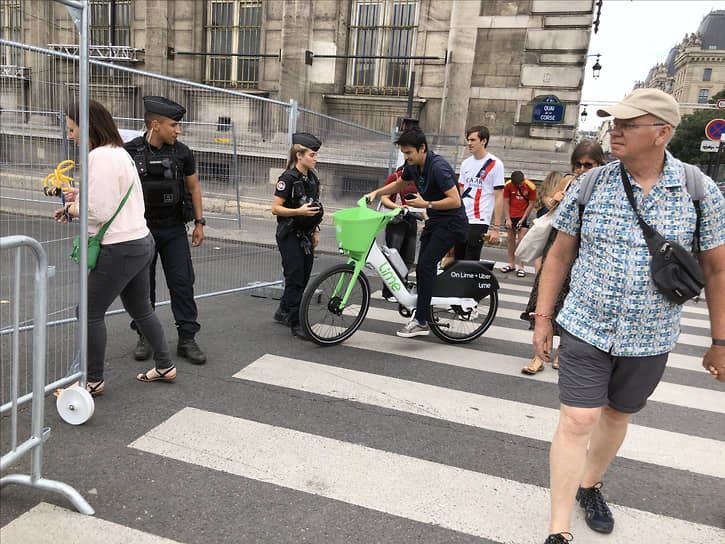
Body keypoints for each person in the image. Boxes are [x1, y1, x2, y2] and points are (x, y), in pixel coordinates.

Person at [533, 89, 725, 544]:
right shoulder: (591, 183)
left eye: (627, 124)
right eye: (613, 122)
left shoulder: (700, 191)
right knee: (578, 420)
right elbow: (559, 256)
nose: (614, 131)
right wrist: (543, 317)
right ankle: (558, 529)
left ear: (662, 133)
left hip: (651, 335)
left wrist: (720, 341)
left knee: (617, 417)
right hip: (586, 324)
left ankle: (590, 484)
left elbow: (717, 269)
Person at [55, 100, 177, 394]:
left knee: (88, 312)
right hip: (139, 241)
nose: (70, 136)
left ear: (88, 126)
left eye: (72, 129)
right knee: (140, 309)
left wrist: (71, 208)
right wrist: (80, 195)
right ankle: (164, 366)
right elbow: (111, 196)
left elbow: (98, 212)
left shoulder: (99, 157)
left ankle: (91, 380)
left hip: (119, 247)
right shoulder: (118, 153)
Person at [125, 96, 207, 365]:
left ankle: (187, 338)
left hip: (173, 229)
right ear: (156, 124)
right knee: (142, 287)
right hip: (141, 230)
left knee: (182, 284)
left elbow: (193, 189)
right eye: (174, 125)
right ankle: (144, 336)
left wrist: (199, 222)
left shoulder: (182, 152)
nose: (178, 130)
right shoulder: (130, 152)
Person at [365, 127, 468, 338]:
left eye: (409, 152)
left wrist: (426, 203)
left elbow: (455, 200)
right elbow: (398, 184)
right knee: (422, 269)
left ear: (422, 148)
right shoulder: (413, 166)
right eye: (403, 153)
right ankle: (424, 309)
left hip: (452, 223)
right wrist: (376, 192)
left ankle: (422, 321)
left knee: (426, 265)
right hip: (436, 221)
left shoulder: (438, 167)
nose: (406, 157)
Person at [521, 141, 606, 375]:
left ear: (599, 164)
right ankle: (539, 355)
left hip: (583, 251)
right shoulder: (568, 181)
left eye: (587, 165)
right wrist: (556, 199)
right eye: (577, 164)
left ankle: (561, 351)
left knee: (570, 303)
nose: (581, 169)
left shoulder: (604, 185)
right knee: (546, 299)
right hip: (558, 244)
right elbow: (546, 206)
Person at [271, 132, 324, 338]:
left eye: (316, 155)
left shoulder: (312, 177)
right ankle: (296, 322)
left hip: (306, 233)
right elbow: (275, 208)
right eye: (312, 154)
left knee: (302, 275)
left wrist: (316, 231)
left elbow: (314, 206)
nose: (315, 158)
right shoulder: (288, 178)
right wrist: (297, 212)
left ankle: (283, 311)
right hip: (289, 233)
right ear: (299, 155)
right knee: (294, 277)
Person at [454, 125, 504, 260]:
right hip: (462, 218)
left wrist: (496, 228)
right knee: (457, 259)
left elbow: (499, 197)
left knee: (470, 261)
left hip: (479, 219)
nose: (469, 143)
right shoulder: (465, 163)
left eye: (473, 140)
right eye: (468, 140)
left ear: (484, 141)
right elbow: (460, 191)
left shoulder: (495, 164)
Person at [379, 165, 423, 301]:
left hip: (411, 218)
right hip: (396, 220)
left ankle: (401, 290)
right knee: (394, 257)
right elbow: (384, 198)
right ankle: (388, 292)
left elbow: (420, 200)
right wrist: (398, 207)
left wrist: (427, 218)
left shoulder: (418, 179)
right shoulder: (396, 177)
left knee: (408, 258)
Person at [500, 170, 536, 277]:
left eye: (520, 184)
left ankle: (521, 266)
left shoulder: (531, 186)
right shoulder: (508, 185)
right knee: (511, 239)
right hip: (511, 214)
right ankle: (511, 264)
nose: (519, 186)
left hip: (524, 214)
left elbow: (531, 204)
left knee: (522, 240)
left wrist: (523, 219)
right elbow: (506, 202)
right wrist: (508, 218)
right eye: (517, 185)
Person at [531, 171, 564, 275]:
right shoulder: (559, 197)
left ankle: (538, 276)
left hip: (540, 228)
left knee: (539, 255)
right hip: (553, 228)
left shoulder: (543, 195)